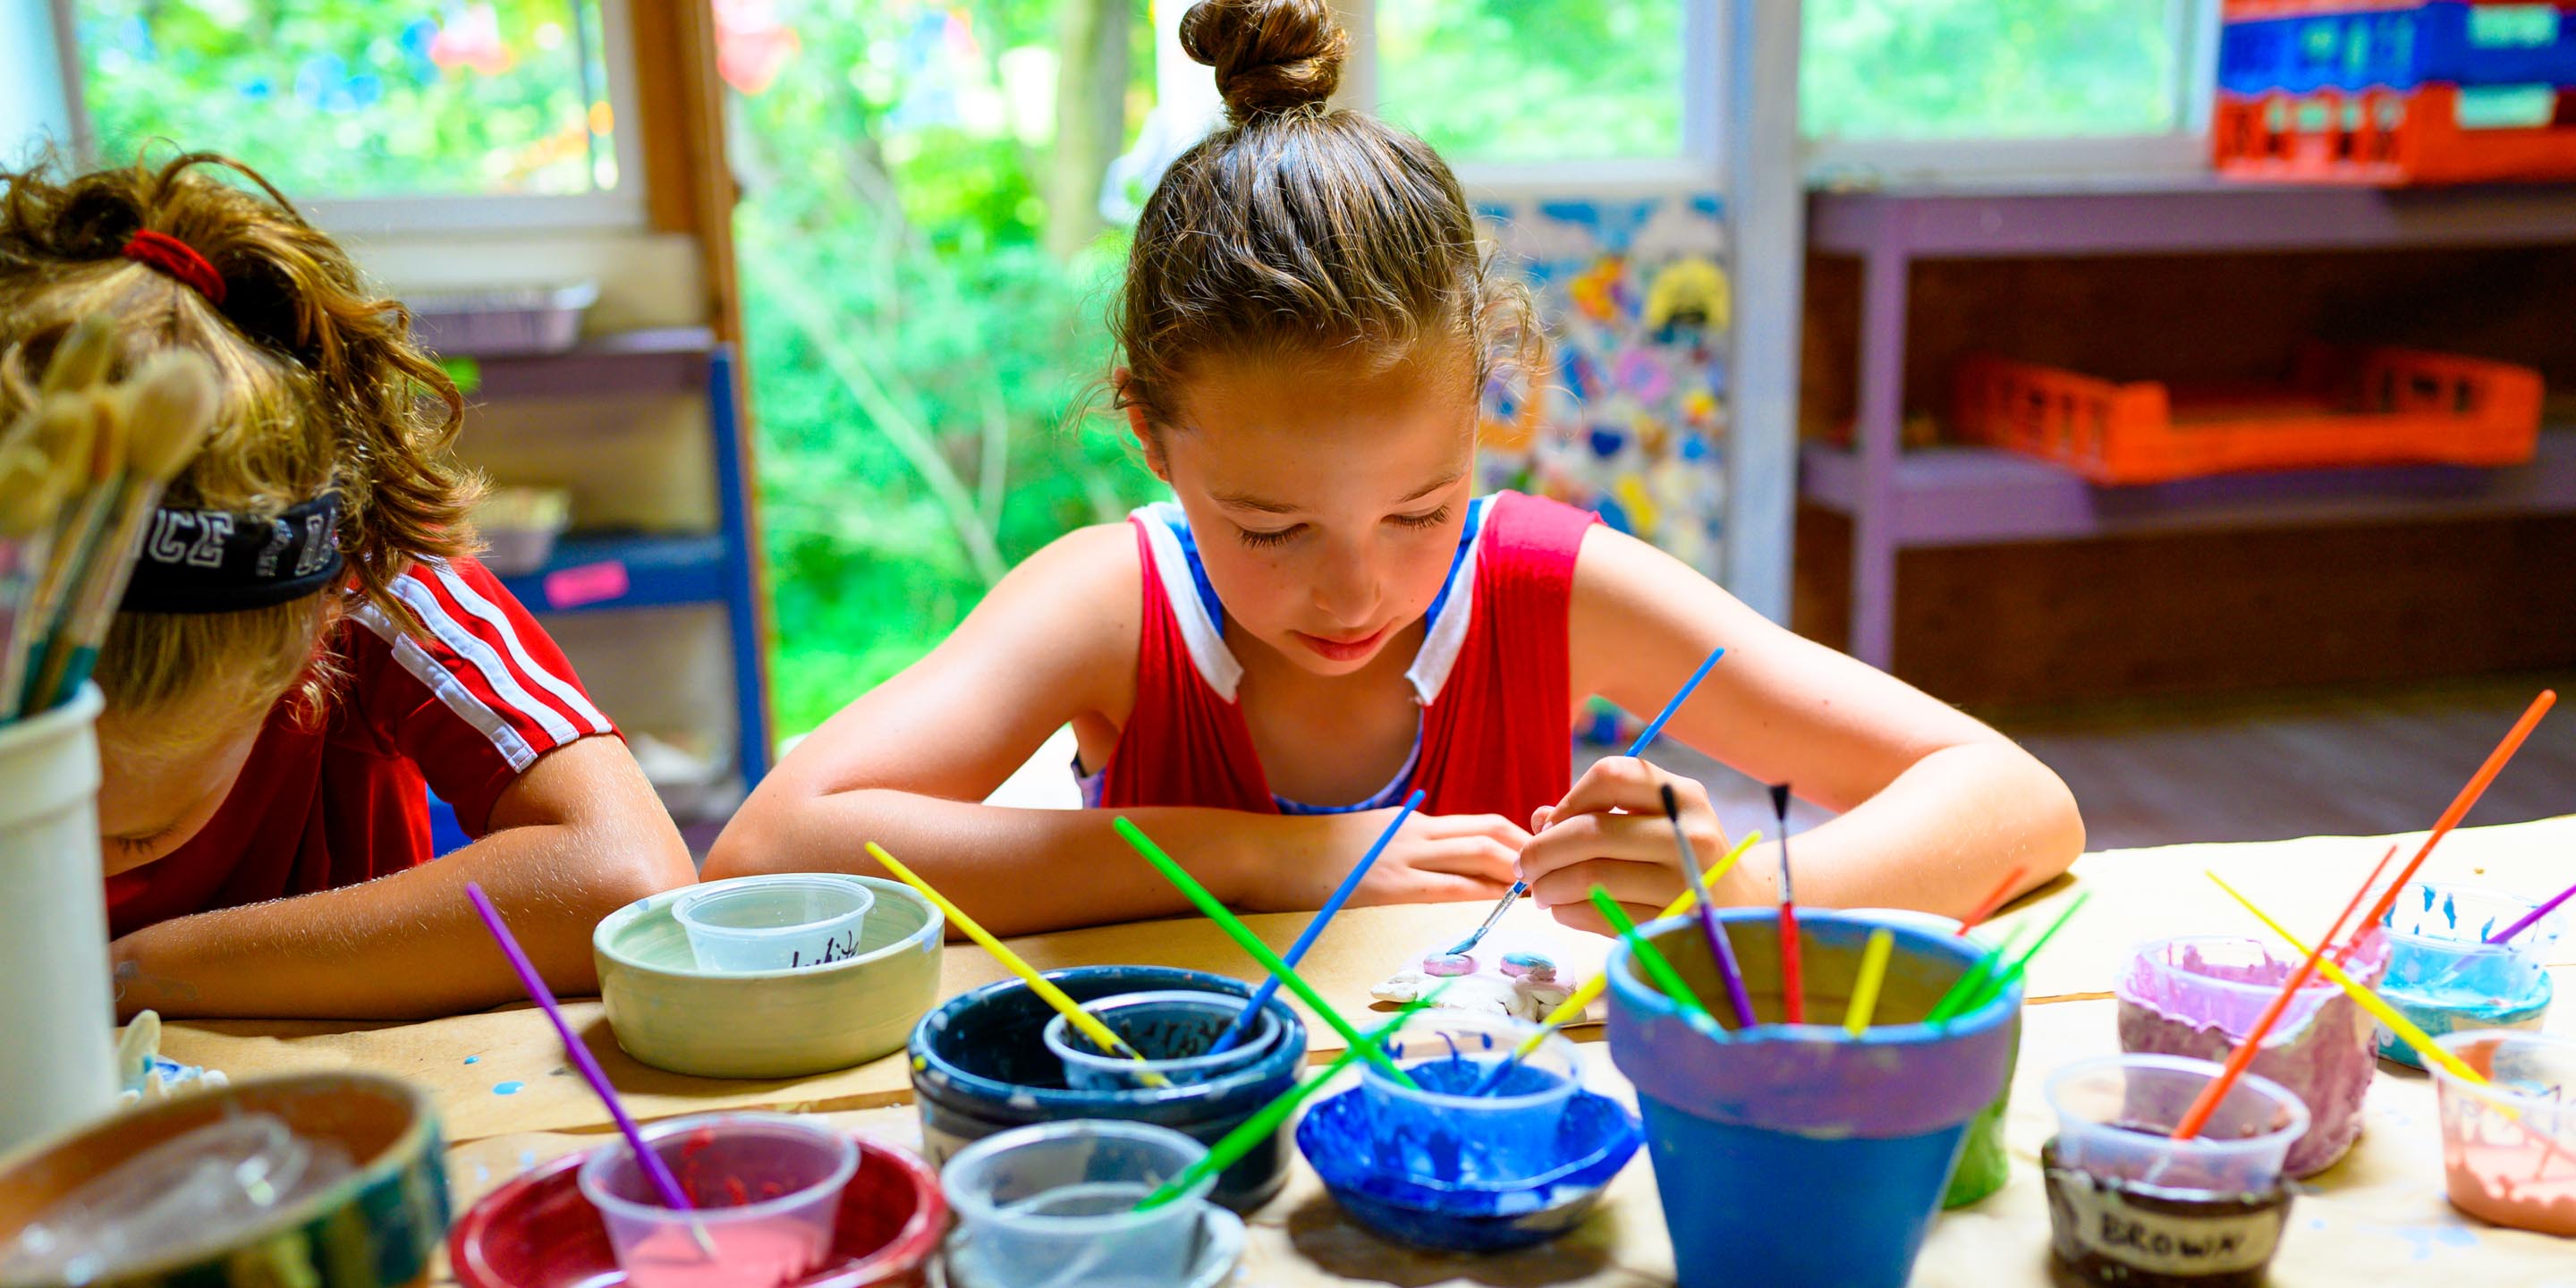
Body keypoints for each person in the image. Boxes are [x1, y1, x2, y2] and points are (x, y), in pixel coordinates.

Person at [708, 0, 2083, 937]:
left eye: (1421, 508)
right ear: (1152, 441)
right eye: (1267, 527)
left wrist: (1736, 896)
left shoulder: (1550, 588)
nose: (1358, 587)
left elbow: (2019, 801)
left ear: (1483, 416)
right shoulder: (1115, 609)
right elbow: (766, 851)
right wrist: (1284, 859)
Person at [0, 152, 693, 1019]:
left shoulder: (377, 585)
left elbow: (626, 879)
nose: (76, 867)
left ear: (314, 636)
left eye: (136, 837)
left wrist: (118, 975)